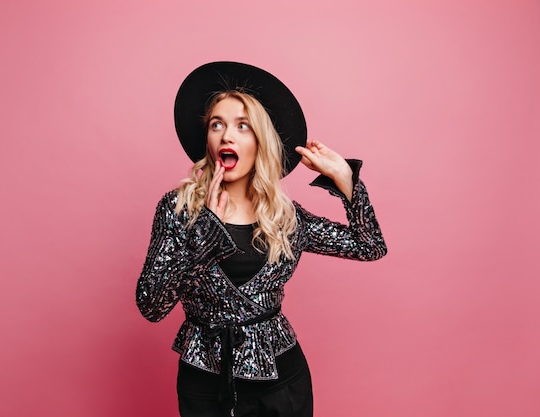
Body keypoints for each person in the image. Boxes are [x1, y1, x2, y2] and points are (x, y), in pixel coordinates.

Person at [136, 61, 387, 417]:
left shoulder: (287, 216)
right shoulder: (178, 209)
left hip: (282, 382)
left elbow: (369, 246)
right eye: (217, 125)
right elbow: (151, 305)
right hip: (204, 383)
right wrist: (204, 231)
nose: (227, 136)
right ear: (207, 139)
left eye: (243, 126)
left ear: (260, 141)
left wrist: (344, 179)